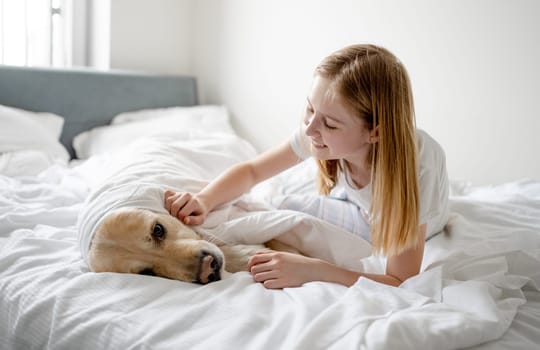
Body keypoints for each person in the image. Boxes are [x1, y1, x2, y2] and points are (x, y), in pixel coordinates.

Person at [164, 44, 449, 289]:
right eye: (310, 109)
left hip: (408, 221)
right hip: (362, 207)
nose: (310, 128)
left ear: (375, 132)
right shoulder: (317, 128)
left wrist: (312, 270)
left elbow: (399, 280)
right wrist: (205, 199)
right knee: (274, 206)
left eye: (330, 124)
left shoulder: (416, 166)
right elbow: (253, 171)